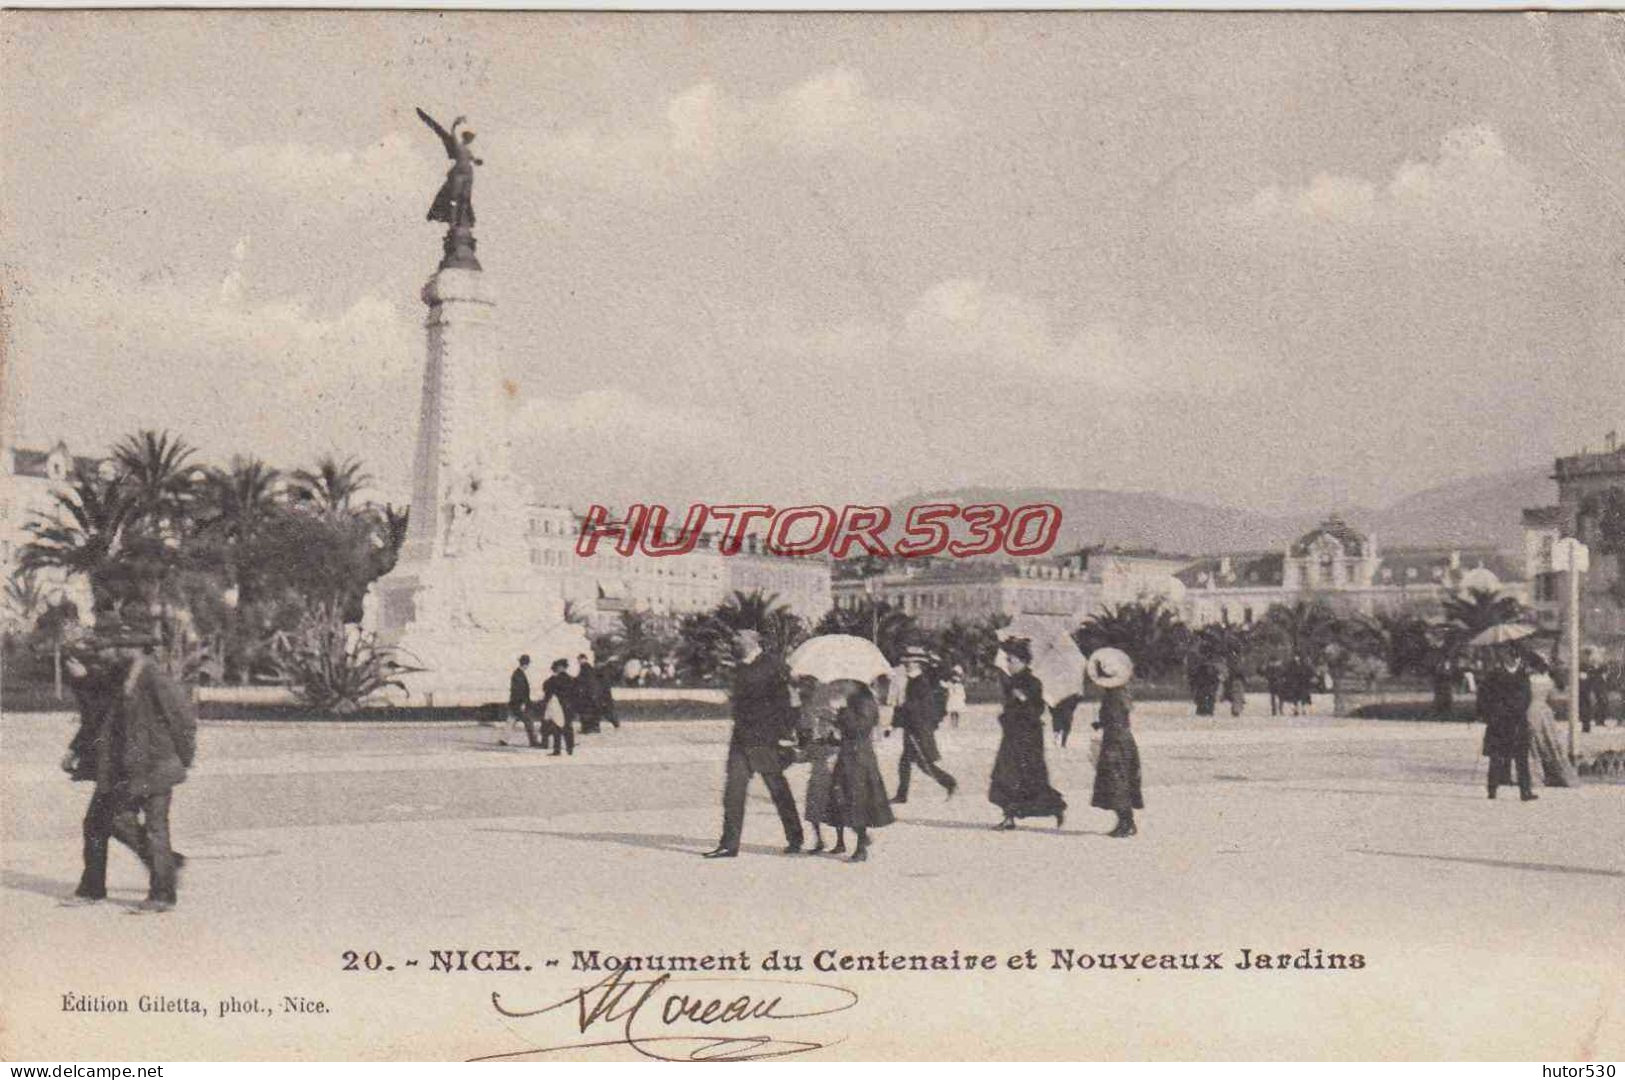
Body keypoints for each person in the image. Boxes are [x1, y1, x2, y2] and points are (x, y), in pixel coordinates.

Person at [67, 620, 197, 912]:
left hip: (156, 766)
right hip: (131, 769)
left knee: (154, 828)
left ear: (138, 649)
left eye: (120, 646)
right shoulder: (122, 677)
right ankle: (164, 866)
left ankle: (162, 895)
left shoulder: (153, 676)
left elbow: (184, 720)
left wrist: (181, 759)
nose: (111, 651)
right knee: (115, 820)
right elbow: (98, 717)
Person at [704, 630, 804, 859]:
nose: (734, 639)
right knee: (733, 791)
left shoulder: (774, 665)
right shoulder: (740, 667)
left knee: (778, 790)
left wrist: (784, 733)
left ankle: (795, 837)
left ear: (754, 640)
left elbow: (789, 702)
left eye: (739, 636)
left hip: (766, 740)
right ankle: (729, 845)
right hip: (741, 739)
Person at [988, 639, 1066, 830]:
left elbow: (1037, 710)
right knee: (1005, 775)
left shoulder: (1033, 683)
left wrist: (1023, 698)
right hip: (1012, 735)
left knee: (1029, 777)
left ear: (1023, 661)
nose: (1009, 664)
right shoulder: (1010, 682)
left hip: (1028, 738)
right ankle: (1008, 817)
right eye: (1008, 660)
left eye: (1012, 660)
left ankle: (1055, 808)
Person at [826, 679, 895, 862]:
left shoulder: (864, 701)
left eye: (847, 683)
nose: (843, 686)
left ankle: (861, 846)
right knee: (843, 797)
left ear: (857, 684)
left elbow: (860, 727)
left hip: (859, 756)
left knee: (858, 800)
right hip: (851, 754)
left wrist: (841, 713)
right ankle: (856, 840)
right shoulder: (855, 700)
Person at [1087, 648, 1144, 838]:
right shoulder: (1120, 694)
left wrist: (1103, 722)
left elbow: (1117, 719)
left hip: (1116, 741)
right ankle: (1126, 822)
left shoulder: (1114, 696)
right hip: (1120, 740)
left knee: (1116, 781)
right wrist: (1101, 723)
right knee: (1120, 781)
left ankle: (1126, 823)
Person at [891, 649, 957, 803]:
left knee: (923, 762)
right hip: (912, 727)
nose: (907, 665)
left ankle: (950, 783)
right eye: (906, 663)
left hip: (918, 729)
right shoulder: (913, 681)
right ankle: (902, 795)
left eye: (911, 663)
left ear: (919, 665)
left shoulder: (921, 682)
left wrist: (903, 708)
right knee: (906, 761)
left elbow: (920, 707)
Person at [1478, 646, 1536, 801]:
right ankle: (1492, 789)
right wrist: (1488, 714)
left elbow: (1527, 697)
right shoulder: (1494, 675)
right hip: (1498, 722)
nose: (1514, 660)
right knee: (1496, 757)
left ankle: (1525, 791)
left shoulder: (1523, 675)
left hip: (1518, 721)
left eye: (1516, 657)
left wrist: (1518, 709)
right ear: (1506, 658)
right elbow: (1484, 696)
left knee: (1521, 758)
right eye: (1511, 657)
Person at [794, 676, 842, 854]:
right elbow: (804, 738)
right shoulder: (804, 709)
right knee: (814, 802)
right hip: (818, 757)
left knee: (834, 802)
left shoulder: (831, 701)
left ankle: (839, 841)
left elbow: (839, 730)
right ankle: (820, 840)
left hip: (830, 757)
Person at [538, 658, 576, 756]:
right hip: (568, 706)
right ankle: (569, 747)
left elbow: (546, 687)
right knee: (567, 727)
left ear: (561, 667)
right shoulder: (571, 679)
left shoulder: (555, 679)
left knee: (557, 728)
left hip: (558, 706)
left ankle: (557, 749)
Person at [501, 655, 541, 747]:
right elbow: (519, 690)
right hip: (519, 702)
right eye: (528, 663)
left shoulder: (517, 673)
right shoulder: (519, 674)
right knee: (528, 721)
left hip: (514, 702)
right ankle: (533, 741)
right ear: (525, 664)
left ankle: (504, 740)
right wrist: (522, 703)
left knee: (511, 720)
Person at [573, 654, 603, 735]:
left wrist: (575, 681)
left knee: (586, 711)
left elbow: (584, 680)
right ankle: (593, 727)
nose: (579, 661)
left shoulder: (585, 667)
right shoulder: (588, 667)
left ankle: (587, 728)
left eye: (580, 659)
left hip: (587, 693)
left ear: (584, 659)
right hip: (591, 693)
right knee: (592, 711)